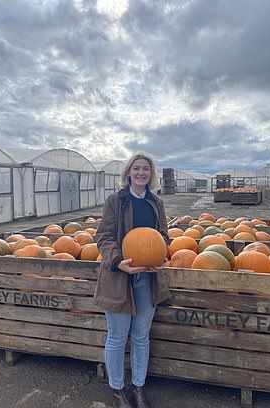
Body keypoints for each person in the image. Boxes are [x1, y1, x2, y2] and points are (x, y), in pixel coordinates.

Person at [94, 152, 170, 408]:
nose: (141, 173)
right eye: (136, 168)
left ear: (151, 174)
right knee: (117, 337)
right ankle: (117, 390)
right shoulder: (116, 201)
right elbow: (103, 236)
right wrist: (117, 262)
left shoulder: (156, 203)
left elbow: (163, 236)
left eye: (146, 169)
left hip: (147, 279)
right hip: (119, 277)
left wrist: (161, 255)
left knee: (141, 336)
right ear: (128, 173)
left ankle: (138, 387)